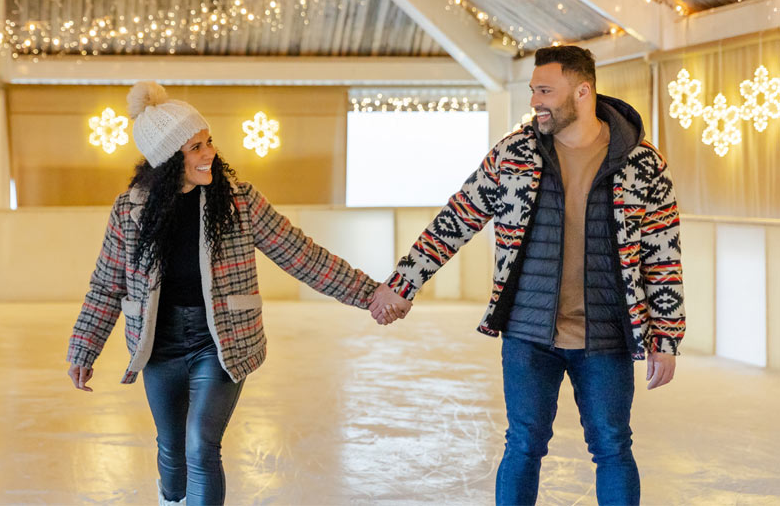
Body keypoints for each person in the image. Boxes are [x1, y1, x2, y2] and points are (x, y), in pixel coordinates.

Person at [370, 45, 685, 505]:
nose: (535, 100)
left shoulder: (641, 162)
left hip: (607, 336)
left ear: (582, 91)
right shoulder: (514, 154)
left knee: (614, 448)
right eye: (533, 89)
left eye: (545, 90)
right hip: (528, 332)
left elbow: (663, 256)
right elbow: (456, 220)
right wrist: (402, 284)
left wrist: (666, 337)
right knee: (523, 445)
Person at [66, 81, 400, 506]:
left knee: (201, 445)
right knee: (171, 449)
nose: (209, 154)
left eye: (208, 142)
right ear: (167, 160)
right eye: (194, 148)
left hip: (220, 342)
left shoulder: (237, 201)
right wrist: (83, 348)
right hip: (159, 346)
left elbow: (300, 254)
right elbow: (106, 283)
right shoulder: (130, 210)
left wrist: (370, 293)